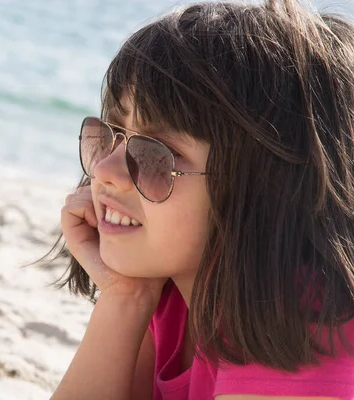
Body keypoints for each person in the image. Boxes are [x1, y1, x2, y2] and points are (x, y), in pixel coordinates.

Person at [35, 0, 354, 398]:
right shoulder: (173, 296)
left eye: (155, 155)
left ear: (260, 190)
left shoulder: (294, 331)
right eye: (111, 134)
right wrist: (124, 296)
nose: (104, 171)